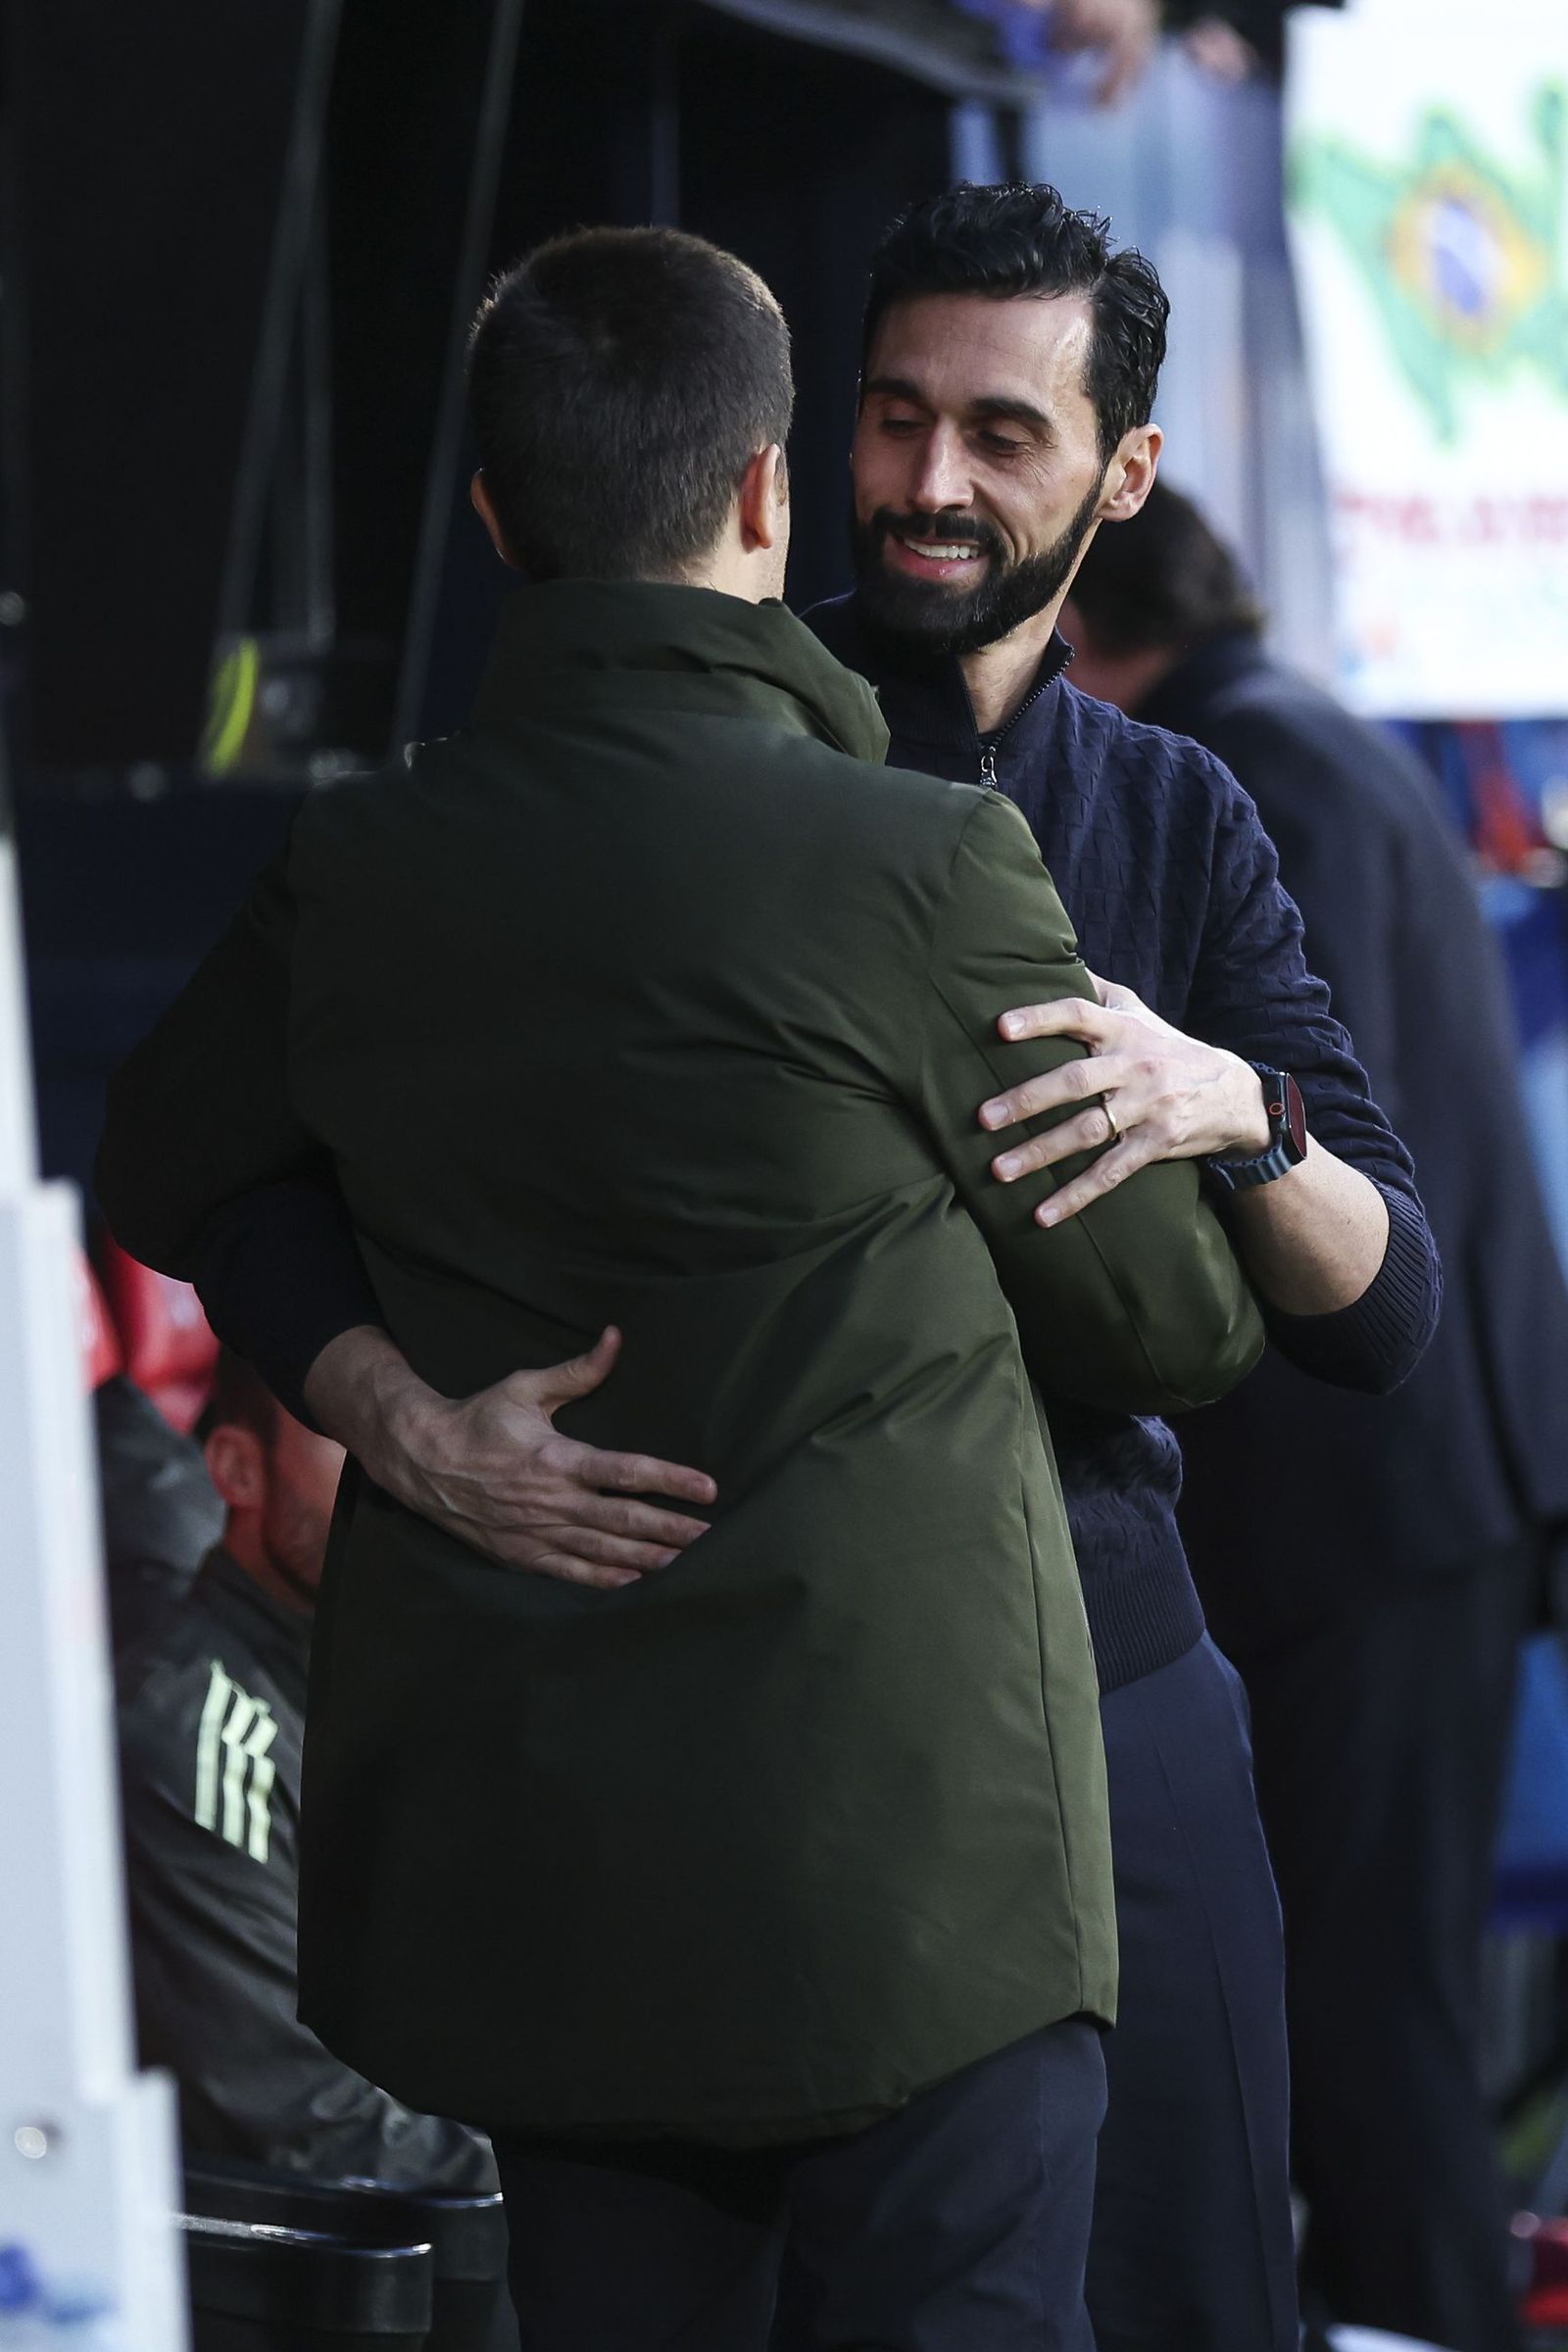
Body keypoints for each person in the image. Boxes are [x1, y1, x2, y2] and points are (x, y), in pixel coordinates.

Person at [103, 184, 1442, 2352]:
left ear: (1122, 475)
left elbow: (1379, 1316)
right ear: (784, 470)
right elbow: (226, 1165)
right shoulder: (691, 763)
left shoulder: (1177, 811)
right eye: (894, 416)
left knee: (1192, 2297)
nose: (928, 480)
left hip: (1104, 1678)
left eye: (1001, 435)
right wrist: (389, 1409)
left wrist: (1238, 1112)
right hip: (734, 1712)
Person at [1064, 476, 1568, 2352]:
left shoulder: (1225, 767)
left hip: (1377, 1505)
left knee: (1373, 2044)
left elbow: (1311, 1160)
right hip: (1433, 1497)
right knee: (1378, 2027)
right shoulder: (1320, 741)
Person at [116, 1349, 496, 2192]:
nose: (400, 1483)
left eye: (423, 1443)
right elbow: (309, 2124)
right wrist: (579, 2184)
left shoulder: (431, 1678)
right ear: (236, 1470)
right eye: (353, 1445)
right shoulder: (195, 1740)